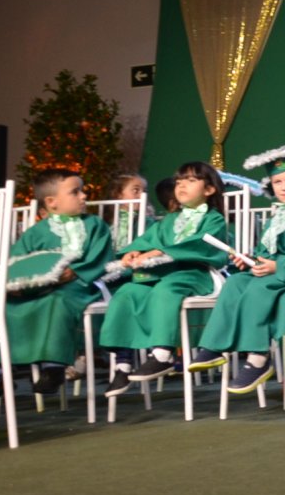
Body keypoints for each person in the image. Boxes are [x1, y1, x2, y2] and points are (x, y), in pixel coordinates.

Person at [186, 136, 285, 395]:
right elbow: (266, 252)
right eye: (278, 182)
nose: (284, 187)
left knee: (259, 288)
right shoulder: (278, 215)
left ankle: (258, 357)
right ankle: (213, 346)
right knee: (237, 282)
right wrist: (250, 260)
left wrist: (277, 267)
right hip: (277, 273)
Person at [0, 169, 114, 406]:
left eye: (82, 190)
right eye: (75, 192)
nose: (84, 196)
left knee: (56, 301)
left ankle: (53, 367)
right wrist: (9, 284)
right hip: (39, 287)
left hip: (79, 285)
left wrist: (75, 271)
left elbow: (101, 257)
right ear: (51, 202)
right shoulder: (35, 232)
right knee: (1, 304)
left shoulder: (95, 225)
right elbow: (14, 261)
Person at [99, 162, 232, 397]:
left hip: (195, 274)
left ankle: (162, 354)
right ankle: (122, 364)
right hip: (163, 274)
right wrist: (133, 252)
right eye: (179, 181)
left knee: (166, 290)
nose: (181, 186)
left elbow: (202, 244)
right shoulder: (170, 219)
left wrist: (161, 252)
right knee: (127, 292)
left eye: (190, 181)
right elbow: (149, 240)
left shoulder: (214, 219)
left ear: (209, 189)